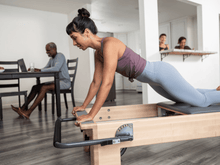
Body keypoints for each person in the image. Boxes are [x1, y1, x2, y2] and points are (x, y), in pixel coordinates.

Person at [67, 8, 220, 125]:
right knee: (185, 98)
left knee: (202, 102)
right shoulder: (98, 53)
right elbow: (96, 82)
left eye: (75, 38)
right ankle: (215, 91)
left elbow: (106, 83)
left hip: (161, 74)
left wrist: (91, 115)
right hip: (153, 81)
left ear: (86, 32)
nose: (74, 43)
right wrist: (84, 106)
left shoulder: (109, 44)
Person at [11, 42, 71, 119]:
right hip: (57, 82)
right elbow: (45, 68)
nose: (47, 52)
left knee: (44, 88)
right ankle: (22, 108)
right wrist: (37, 70)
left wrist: (40, 70)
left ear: (54, 49)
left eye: (48, 50)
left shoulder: (60, 56)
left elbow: (56, 69)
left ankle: (29, 112)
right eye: (46, 51)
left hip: (65, 82)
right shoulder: (51, 59)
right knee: (35, 87)